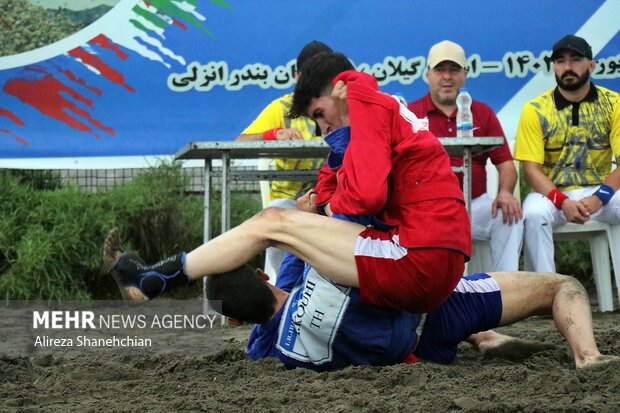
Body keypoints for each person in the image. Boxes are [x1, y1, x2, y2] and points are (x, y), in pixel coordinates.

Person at [104, 50, 471, 316]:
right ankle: (483, 334)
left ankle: (157, 277)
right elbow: (335, 190)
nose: (323, 128)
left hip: (419, 256)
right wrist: (330, 193)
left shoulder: (367, 104)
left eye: (320, 115)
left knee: (274, 222)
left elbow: (364, 196)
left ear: (340, 89)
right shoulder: (375, 110)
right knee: (283, 222)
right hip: (434, 257)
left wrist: (328, 198)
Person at [103, 229, 618, 371]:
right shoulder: (305, 269)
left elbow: (261, 324)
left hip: (419, 354)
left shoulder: (265, 348)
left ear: (238, 320)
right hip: (439, 306)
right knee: (561, 286)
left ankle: (483, 339)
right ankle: (588, 357)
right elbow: (296, 238)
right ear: (263, 277)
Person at [408, 40, 523, 271]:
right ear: (427, 75)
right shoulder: (411, 114)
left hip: (475, 205)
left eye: (454, 70)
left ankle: (504, 293)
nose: (447, 77)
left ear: (465, 74)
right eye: (440, 70)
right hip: (429, 209)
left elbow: (506, 164)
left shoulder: (482, 112)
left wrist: (505, 192)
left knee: (509, 216)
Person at [514, 34, 620, 272]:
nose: (567, 67)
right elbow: (531, 171)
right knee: (532, 215)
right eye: (560, 61)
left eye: (575, 59)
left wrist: (598, 198)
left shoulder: (614, 103)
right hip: (551, 194)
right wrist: (562, 202)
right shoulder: (535, 109)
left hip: (600, 190)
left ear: (591, 65)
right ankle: (546, 293)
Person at [235, 40, 332, 279]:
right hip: (289, 203)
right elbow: (239, 144)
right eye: (311, 76)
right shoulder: (282, 108)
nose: (316, 84)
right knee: (276, 214)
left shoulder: (342, 107)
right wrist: (274, 135)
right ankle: (279, 293)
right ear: (297, 77)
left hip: (331, 199)